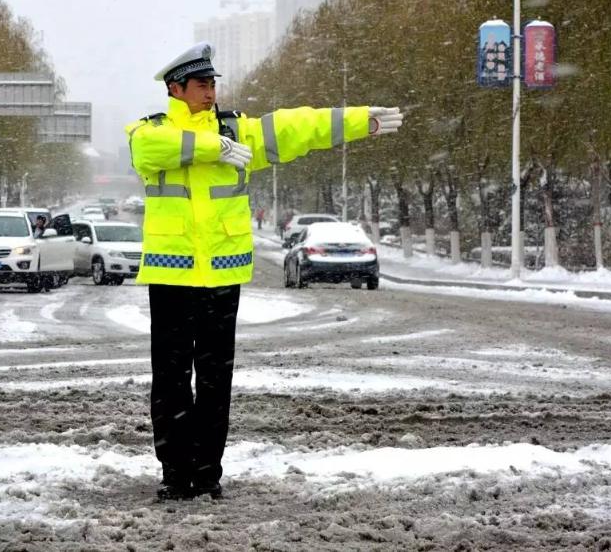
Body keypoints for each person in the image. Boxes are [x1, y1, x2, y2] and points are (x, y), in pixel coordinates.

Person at [126, 41, 403, 501]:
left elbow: (297, 126)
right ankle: (175, 474)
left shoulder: (240, 131)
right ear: (175, 88)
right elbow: (151, 150)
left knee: (216, 383)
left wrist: (358, 121)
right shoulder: (149, 131)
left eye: (213, 84)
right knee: (170, 382)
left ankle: (207, 473)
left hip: (221, 277)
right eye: (201, 85)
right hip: (172, 277)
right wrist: (216, 148)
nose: (210, 92)